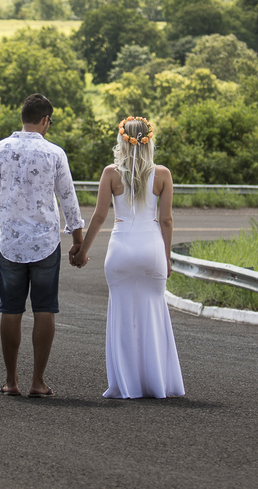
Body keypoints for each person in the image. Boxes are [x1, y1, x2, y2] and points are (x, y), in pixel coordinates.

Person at [0, 93, 85, 399]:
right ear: (46, 119)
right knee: (44, 309)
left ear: (22, 117)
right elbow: (69, 199)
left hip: (10, 243)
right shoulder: (54, 153)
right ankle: (38, 381)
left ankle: (11, 381)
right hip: (45, 244)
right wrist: (78, 241)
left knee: (10, 310)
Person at [70, 116, 185, 399]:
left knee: (122, 316)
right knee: (153, 314)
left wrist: (82, 251)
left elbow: (99, 216)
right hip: (151, 250)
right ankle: (157, 383)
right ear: (149, 140)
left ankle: (126, 385)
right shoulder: (163, 174)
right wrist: (167, 258)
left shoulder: (111, 173)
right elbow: (166, 220)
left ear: (122, 140)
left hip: (121, 250)